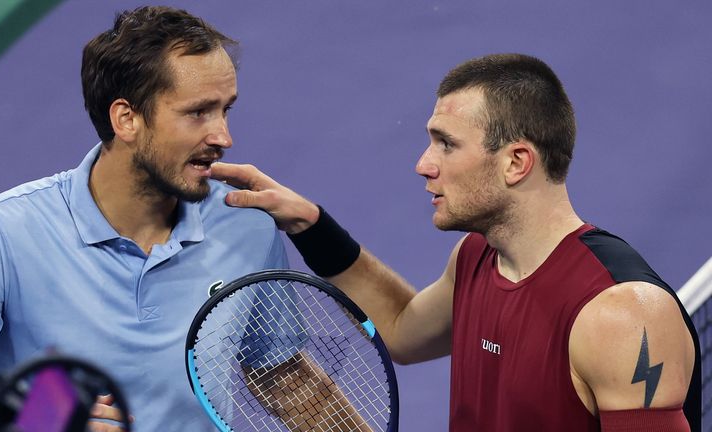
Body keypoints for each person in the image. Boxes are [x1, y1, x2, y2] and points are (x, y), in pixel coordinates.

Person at [210, 53, 702, 431]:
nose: (424, 164)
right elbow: (401, 331)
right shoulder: (475, 260)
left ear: (516, 162)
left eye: (446, 143)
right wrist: (311, 226)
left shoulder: (622, 315)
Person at [0, 6, 291, 431]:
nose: (223, 137)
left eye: (226, 110)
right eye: (198, 112)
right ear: (126, 119)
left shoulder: (246, 225)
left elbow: (286, 381)